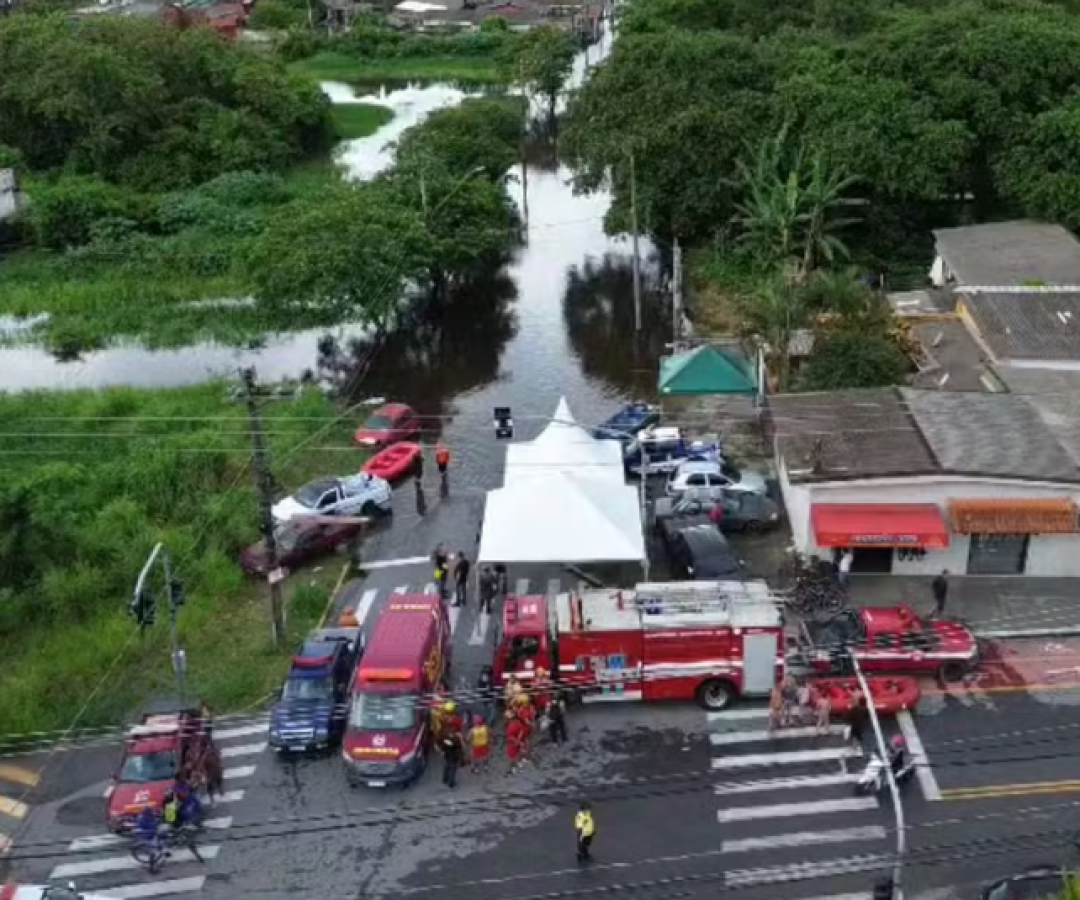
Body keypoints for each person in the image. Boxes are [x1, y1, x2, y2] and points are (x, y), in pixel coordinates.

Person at [440, 724, 465, 789]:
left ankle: (445, 779)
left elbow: (442, 746)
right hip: (453, 755)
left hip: (447, 754)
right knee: (453, 769)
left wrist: (442, 751)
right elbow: (458, 747)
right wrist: (461, 757)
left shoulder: (445, 738)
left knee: (447, 766)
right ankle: (451, 782)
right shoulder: (455, 738)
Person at [505, 709, 528, 773]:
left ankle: (513, 768)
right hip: (518, 741)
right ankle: (519, 765)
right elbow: (522, 731)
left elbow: (510, 736)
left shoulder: (511, 725)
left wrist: (518, 741)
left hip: (513, 743)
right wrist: (520, 740)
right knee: (519, 753)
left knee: (512, 756)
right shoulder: (518, 721)